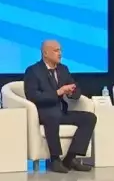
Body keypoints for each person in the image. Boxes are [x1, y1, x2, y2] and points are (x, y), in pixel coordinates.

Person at [24, 39, 97, 173]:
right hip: (43, 112)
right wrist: (58, 92)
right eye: (56, 50)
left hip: (61, 111)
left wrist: (72, 92)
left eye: (60, 50)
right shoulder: (33, 71)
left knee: (89, 118)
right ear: (45, 53)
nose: (60, 54)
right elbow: (33, 96)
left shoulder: (63, 69)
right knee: (52, 116)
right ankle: (55, 159)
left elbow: (75, 89)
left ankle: (70, 158)